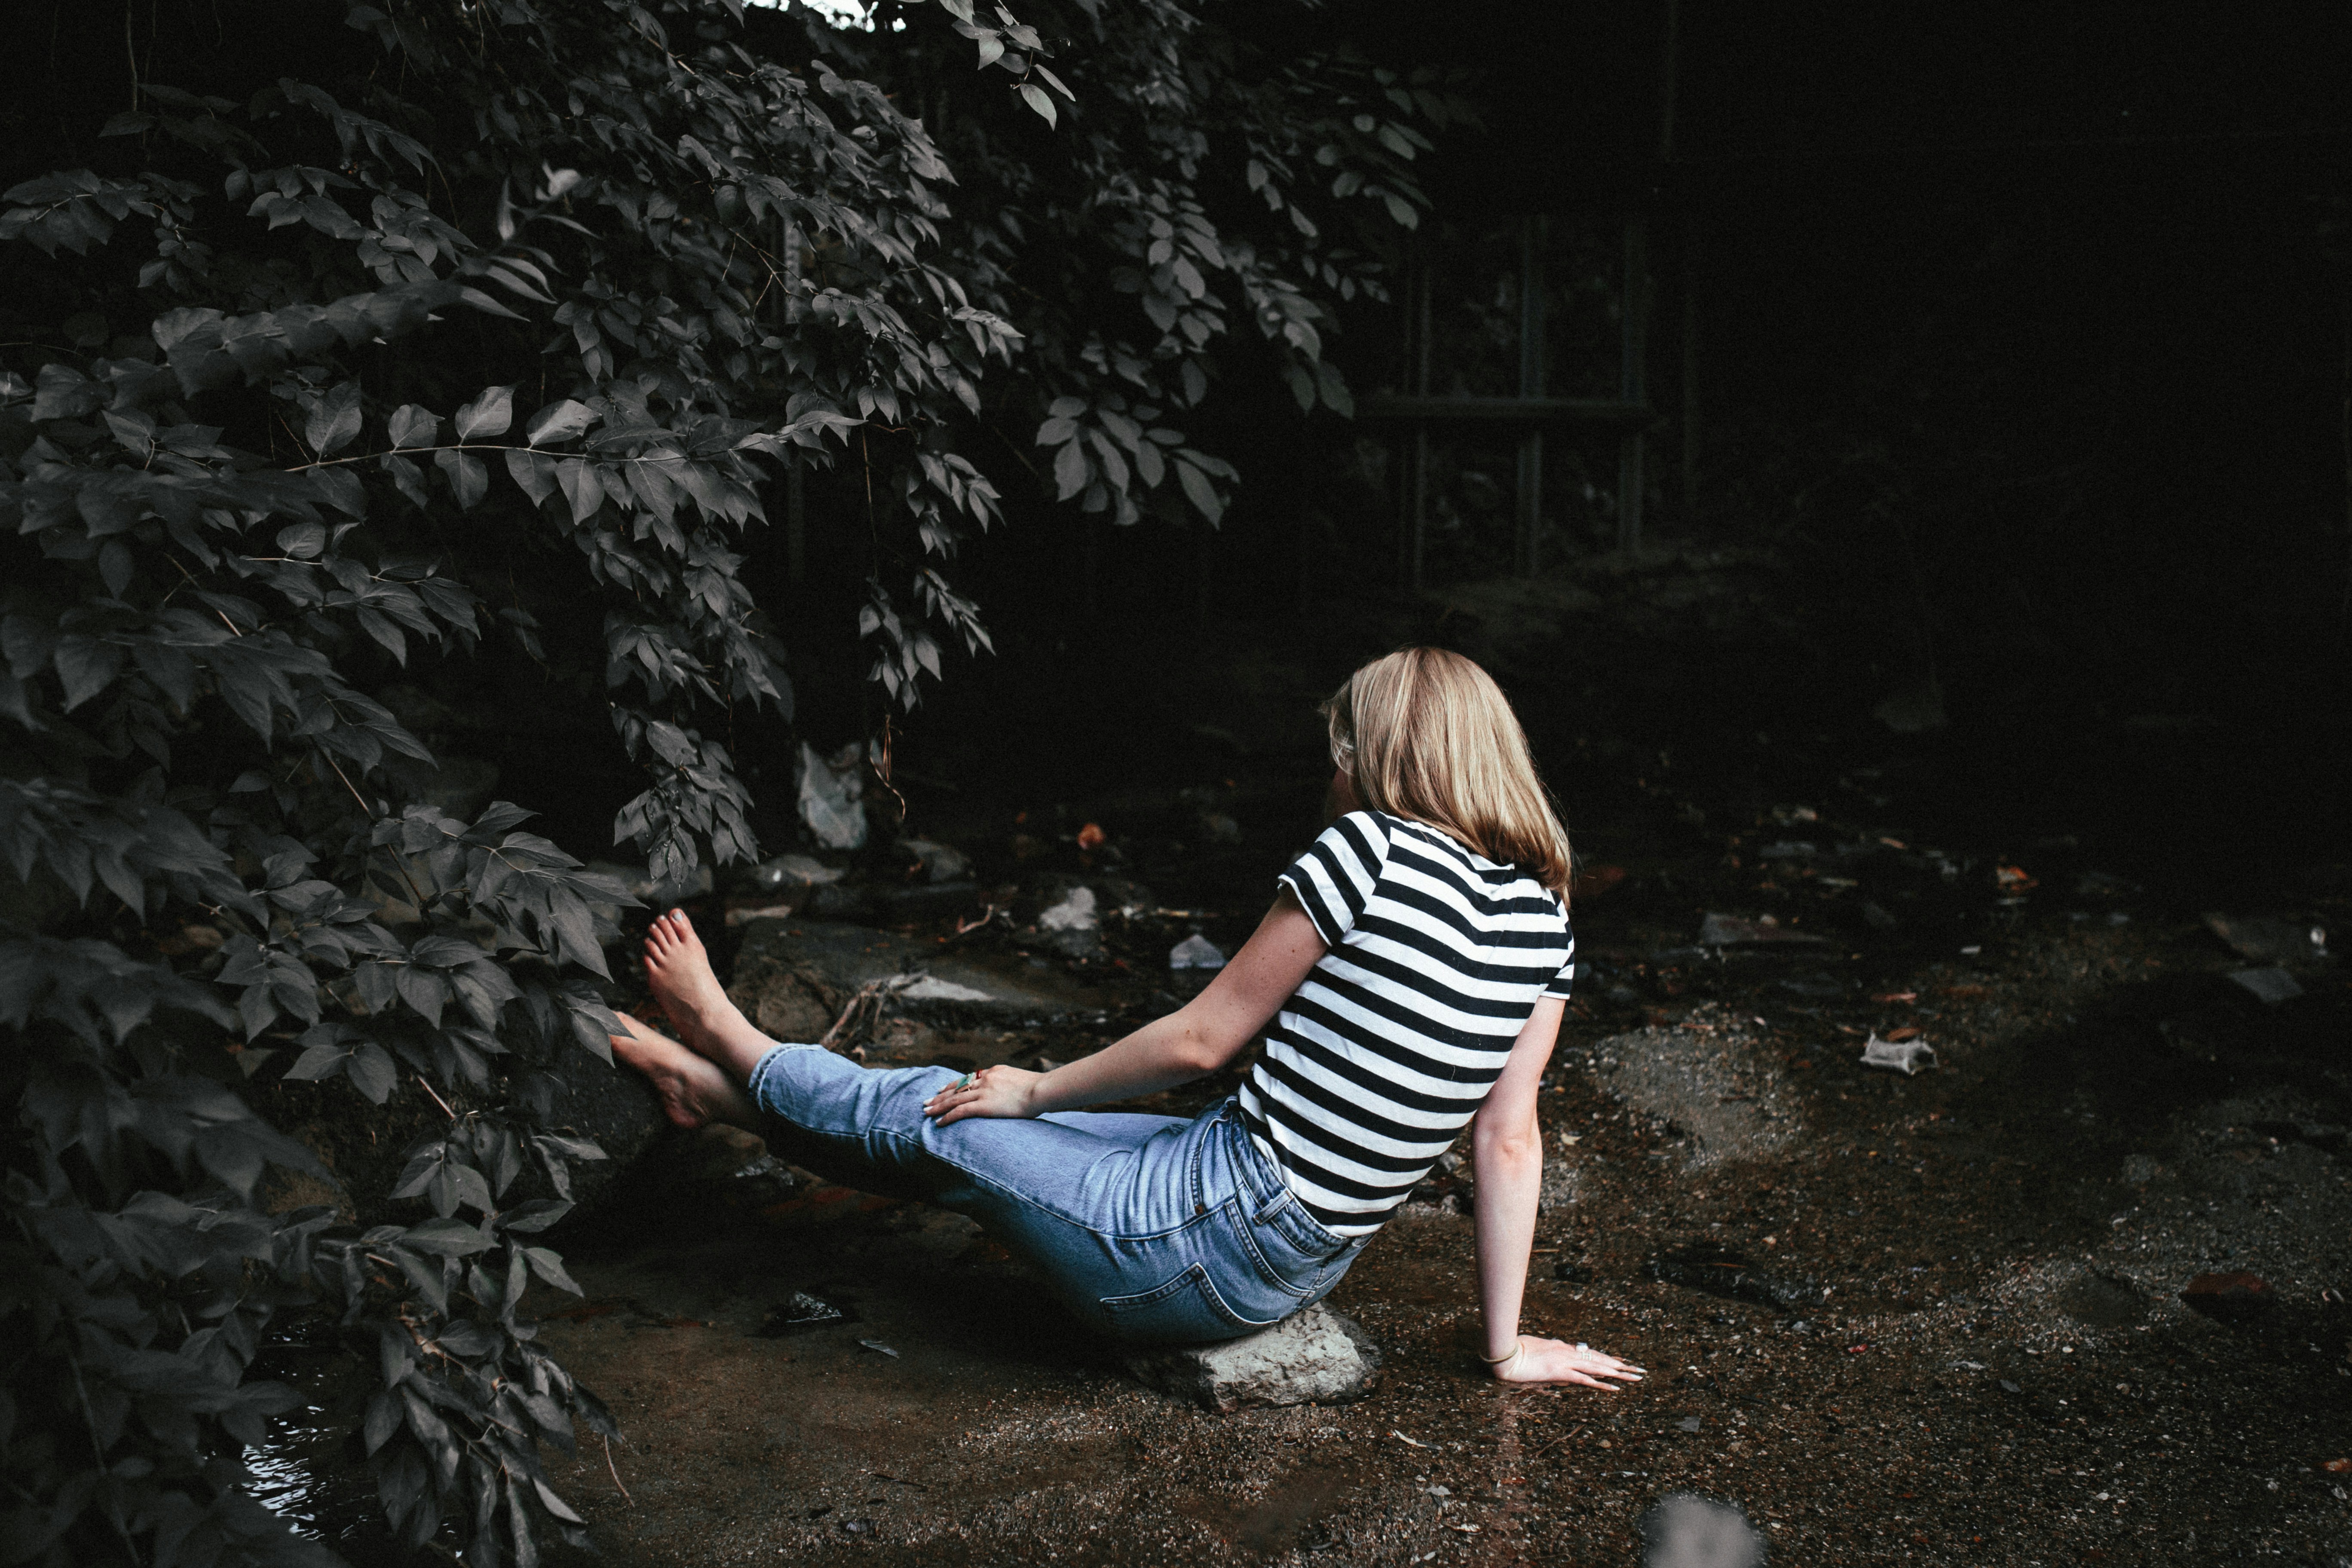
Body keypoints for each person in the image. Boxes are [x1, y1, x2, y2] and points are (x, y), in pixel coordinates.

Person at [610, 647, 1643, 1390]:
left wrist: (1041, 1086)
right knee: (979, 1130)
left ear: (1381, 756)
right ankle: (723, 1099)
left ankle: (731, 1036)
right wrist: (1504, 1350)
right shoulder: (1542, 916)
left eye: (1342, 750)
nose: (1332, 775)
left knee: (951, 1108)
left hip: (1197, 1241)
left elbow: (1203, 1039)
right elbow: (1508, 1139)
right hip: (1287, 1254)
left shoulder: (1368, 848)